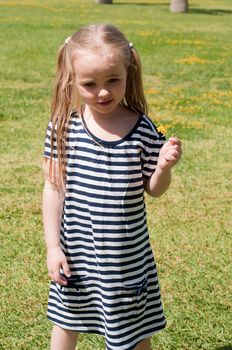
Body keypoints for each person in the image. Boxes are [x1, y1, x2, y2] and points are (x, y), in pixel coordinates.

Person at [42, 24, 182, 350]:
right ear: (71, 80)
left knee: (132, 333)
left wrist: (163, 166)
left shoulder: (143, 129)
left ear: (128, 73)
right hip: (76, 254)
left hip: (125, 260)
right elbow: (53, 188)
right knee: (66, 322)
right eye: (90, 84)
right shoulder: (63, 128)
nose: (103, 92)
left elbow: (155, 189)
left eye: (113, 81)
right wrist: (52, 247)